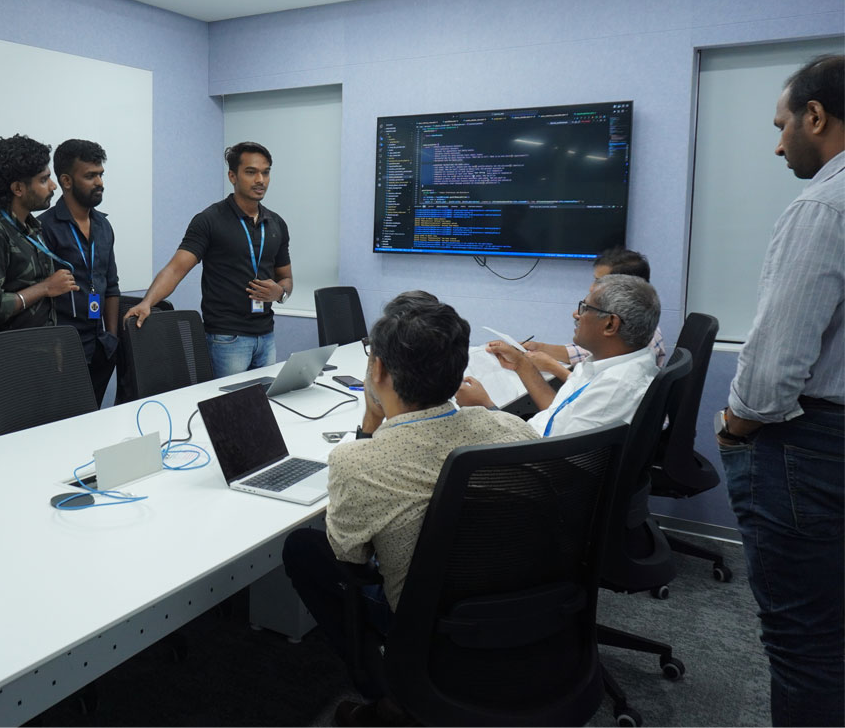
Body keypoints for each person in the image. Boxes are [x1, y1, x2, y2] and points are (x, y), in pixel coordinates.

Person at [282, 292, 536, 723]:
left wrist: (369, 427)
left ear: (378, 369)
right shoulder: (513, 428)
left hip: (425, 620)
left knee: (302, 548)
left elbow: (349, 556)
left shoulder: (360, 462)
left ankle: (389, 690)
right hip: (519, 607)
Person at [716, 54, 843, 727]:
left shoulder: (823, 205)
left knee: (805, 645)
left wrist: (734, 427)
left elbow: (771, 373)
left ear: (814, 116)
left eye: (780, 126)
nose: (776, 145)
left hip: (812, 450)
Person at [128, 141, 292, 377]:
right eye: (251, 172)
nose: (260, 180)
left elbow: (286, 278)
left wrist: (280, 293)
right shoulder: (210, 220)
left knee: (262, 400)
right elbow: (175, 269)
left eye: (265, 172)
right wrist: (147, 302)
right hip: (226, 338)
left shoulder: (276, 224)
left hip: (266, 336)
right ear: (232, 176)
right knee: (227, 401)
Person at [0, 135, 78, 437]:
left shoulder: (32, 228)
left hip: (42, 361)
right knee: (4, 449)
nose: (53, 186)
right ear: (18, 188)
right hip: (5, 365)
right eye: (44, 179)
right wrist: (45, 288)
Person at [457, 274, 661, 438]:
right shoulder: (610, 363)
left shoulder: (615, 387)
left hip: (534, 465)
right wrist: (521, 363)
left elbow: (549, 456)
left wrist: (486, 407)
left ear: (610, 324)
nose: (576, 314)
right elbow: (558, 413)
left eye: (585, 308)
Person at [39, 139, 121, 406]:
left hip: (100, 345)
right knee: (63, 421)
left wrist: (112, 337)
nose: (99, 182)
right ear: (66, 180)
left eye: (100, 174)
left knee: (93, 416)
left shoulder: (103, 226)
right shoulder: (44, 228)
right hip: (62, 349)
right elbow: (42, 296)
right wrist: (52, 345)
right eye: (90, 176)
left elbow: (111, 285)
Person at [523, 246, 667, 381]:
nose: (592, 287)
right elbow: (584, 353)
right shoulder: (631, 330)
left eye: (600, 282)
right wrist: (539, 348)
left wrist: (552, 367)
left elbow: (596, 387)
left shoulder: (641, 341)